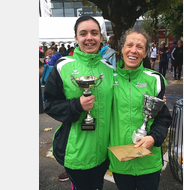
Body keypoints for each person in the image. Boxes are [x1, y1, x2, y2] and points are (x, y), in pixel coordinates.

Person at [44, 15, 114, 190]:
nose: (89, 37)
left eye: (94, 33)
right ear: (76, 38)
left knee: (98, 186)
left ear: (100, 37)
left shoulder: (109, 68)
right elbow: (50, 104)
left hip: (103, 150)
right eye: (83, 33)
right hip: (76, 152)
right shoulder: (63, 66)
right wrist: (77, 106)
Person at [108, 28, 172, 190]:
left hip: (148, 161)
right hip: (120, 160)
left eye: (140, 47)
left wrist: (154, 138)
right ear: (121, 48)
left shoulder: (155, 79)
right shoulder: (108, 79)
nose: (133, 50)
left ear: (145, 53)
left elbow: (163, 118)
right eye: (129, 45)